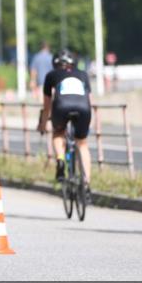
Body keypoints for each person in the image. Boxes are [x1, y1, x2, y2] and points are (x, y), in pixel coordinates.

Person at [37, 49, 92, 191]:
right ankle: (86, 185)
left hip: (61, 107)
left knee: (58, 133)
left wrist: (42, 124)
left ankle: (60, 160)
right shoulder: (83, 74)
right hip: (83, 108)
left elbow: (47, 105)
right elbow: (89, 100)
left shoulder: (51, 75)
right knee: (82, 143)